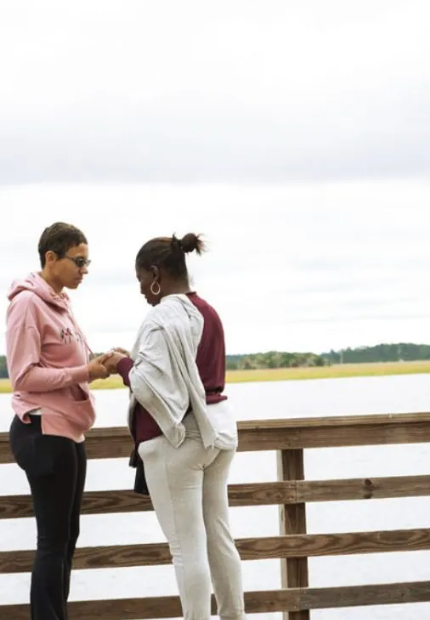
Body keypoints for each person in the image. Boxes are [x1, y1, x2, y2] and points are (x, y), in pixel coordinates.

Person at [103, 233, 245, 620]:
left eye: (140, 282)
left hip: (178, 443)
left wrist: (120, 364)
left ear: (155, 274)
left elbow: (149, 383)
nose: (141, 293)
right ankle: (234, 616)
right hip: (218, 431)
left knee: (186, 548)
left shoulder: (162, 317)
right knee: (219, 536)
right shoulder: (208, 312)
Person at [5, 222, 111, 620]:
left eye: (88, 262)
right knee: (53, 542)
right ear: (51, 258)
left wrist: (98, 362)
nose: (85, 269)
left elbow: (63, 362)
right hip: (43, 429)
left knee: (67, 538)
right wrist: (87, 373)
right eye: (78, 261)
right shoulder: (27, 304)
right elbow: (24, 375)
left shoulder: (59, 301)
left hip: (69, 431)